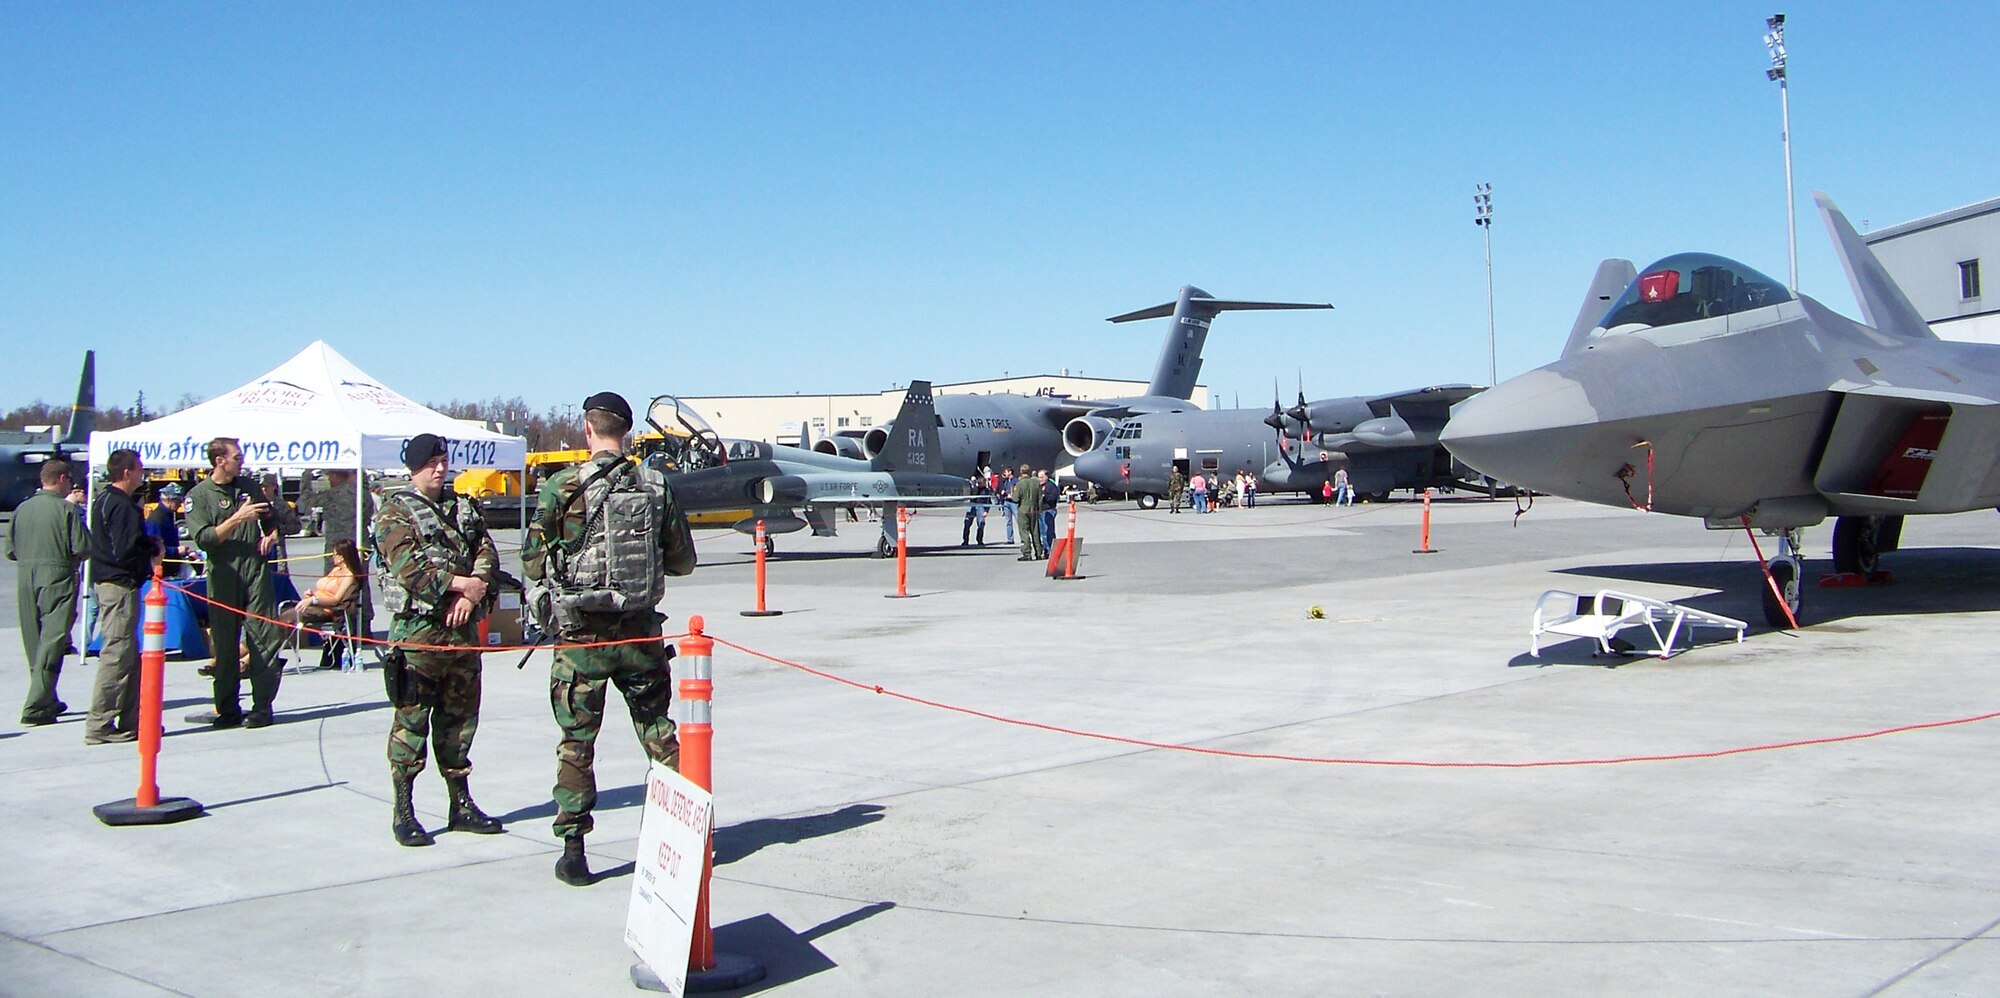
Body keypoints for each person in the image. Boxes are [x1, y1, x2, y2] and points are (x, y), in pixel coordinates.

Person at [523, 392, 696, 886]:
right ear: (628, 433)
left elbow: (533, 561)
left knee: (577, 743)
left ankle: (574, 848)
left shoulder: (562, 487)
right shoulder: (656, 485)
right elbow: (682, 560)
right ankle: (683, 837)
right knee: (659, 734)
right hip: (641, 636)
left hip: (582, 640)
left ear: (587, 430)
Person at [372, 433, 504, 847]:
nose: (439, 468)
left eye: (443, 460)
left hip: (461, 635)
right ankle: (404, 810)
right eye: (430, 462)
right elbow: (409, 568)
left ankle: (460, 803)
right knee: (411, 724)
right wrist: (458, 586)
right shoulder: (394, 513)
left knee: (459, 723)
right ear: (414, 467)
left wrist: (475, 587)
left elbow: (487, 552)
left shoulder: (462, 507)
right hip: (419, 637)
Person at [184, 437, 284, 729]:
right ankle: (227, 708)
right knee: (226, 645)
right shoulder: (199, 496)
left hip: (255, 570)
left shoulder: (249, 487)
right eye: (237, 457)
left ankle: (262, 707)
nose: (242, 462)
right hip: (224, 573)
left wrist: (272, 534)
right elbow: (205, 539)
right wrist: (238, 517)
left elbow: (271, 518)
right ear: (220, 461)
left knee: (263, 639)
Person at [8, 459, 90, 725]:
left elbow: (10, 550)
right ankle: (35, 705)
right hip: (58, 575)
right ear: (63, 479)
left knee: (34, 641)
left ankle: (47, 697)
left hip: (25, 576)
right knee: (53, 640)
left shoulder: (22, 509)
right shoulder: (66, 510)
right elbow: (83, 547)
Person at [85, 449, 156, 745]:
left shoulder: (103, 500)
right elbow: (124, 550)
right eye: (139, 470)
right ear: (126, 473)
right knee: (116, 654)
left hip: (109, 583)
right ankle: (99, 723)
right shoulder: (120, 505)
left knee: (129, 655)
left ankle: (130, 720)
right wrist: (151, 551)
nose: (142, 475)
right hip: (118, 585)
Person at [303, 468, 376, 641]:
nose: (329, 480)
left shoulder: (334, 494)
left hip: (339, 548)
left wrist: (306, 476)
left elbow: (306, 502)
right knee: (360, 587)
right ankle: (363, 626)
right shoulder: (363, 495)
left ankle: (340, 628)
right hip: (360, 544)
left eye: (330, 476)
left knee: (335, 587)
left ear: (337, 476)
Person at [145, 482, 186, 577]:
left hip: (171, 569)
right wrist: (176, 550)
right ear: (168, 500)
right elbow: (153, 548)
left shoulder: (168, 516)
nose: (180, 505)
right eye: (178, 502)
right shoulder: (157, 519)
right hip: (161, 572)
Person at [1010, 463, 1039, 561]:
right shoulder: (1036, 483)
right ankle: (1039, 552)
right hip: (1034, 509)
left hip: (1023, 509)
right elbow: (1040, 498)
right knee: (1035, 531)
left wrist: (1011, 494)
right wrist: (1038, 508)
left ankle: (1027, 553)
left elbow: (1015, 498)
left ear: (1021, 472)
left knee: (1024, 532)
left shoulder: (1020, 484)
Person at [960, 472, 988, 546]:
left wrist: (986, 511)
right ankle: (965, 540)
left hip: (981, 506)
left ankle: (979, 540)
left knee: (981, 524)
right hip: (972, 504)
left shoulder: (986, 490)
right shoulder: (974, 489)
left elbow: (988, 501)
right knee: (967, 523)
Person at [1038, 470, 1060, 556]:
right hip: (1041, 510)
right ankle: (1046, 549)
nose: (1040, 479)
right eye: (1039, 477)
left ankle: (1051, 549)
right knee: (1043, 532)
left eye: (1042, 477)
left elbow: (1053, 498)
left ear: (1047, 477)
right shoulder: (1039, 486)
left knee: (1048, 531)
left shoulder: (1051, 486)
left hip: (1049, 510)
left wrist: (1044, 495)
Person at [997, 466, 1018, 543]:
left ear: (1010, 472)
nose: (1004, 473)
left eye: (1006, 472)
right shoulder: (1005, 481)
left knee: (1018, 519)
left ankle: (1024, 537)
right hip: (1006, 501)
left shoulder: (1015, 481)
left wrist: (1011, 495)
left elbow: (1016, 491)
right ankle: (1010, 538)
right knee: (1008, 521)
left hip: (1013, 502)